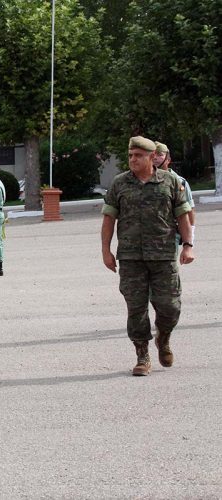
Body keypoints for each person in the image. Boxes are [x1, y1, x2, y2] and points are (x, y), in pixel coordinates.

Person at [101, 136, 194, 376]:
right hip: (131, 258)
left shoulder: (171, 182)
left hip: (163, 256)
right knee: (136, 308)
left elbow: (183, 216)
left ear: (152, 157)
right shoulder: (120, 183)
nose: (133, 159)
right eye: (130, 155)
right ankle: (142, 356)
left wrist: (188, 245)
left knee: (170, 307)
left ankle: (163, 337)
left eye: (138, 155)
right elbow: (109, 218)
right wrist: (106, 251)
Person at [154, 142, 196, 246]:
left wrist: (190, 239)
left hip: (170, 235)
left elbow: (189, 209)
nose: (155, 158)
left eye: (160, 155)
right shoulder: (143, 180)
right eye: (153, 155)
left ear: (168, 160)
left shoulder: (179, 182)